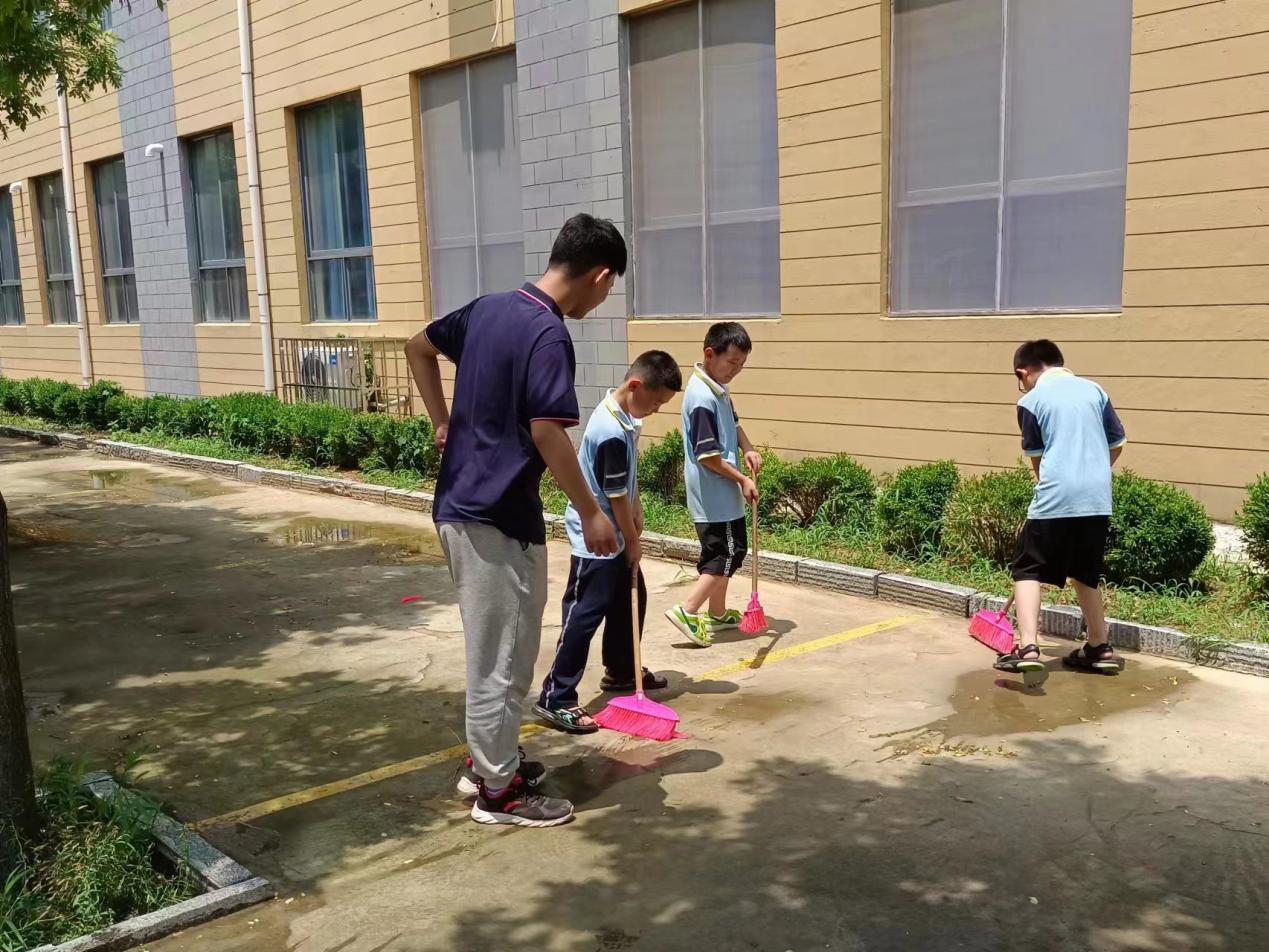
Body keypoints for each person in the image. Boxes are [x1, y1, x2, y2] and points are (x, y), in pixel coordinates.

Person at [404, 214, 626, 828]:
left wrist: (441, 420)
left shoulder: (491, 309)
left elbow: (418, 346)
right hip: (495, 516)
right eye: (610, 288)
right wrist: (591, 511)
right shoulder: (547, 333)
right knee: (501, 660)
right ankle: (497, 794)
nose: (604, 299)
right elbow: (547, 431)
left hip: (465, 508)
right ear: (599, 275)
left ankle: (488, 762)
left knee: (500, 651)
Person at [533, 351, 683, 734]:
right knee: (584, 614)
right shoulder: (610, 431)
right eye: (656, 401)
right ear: (635, 385)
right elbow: (614, 497)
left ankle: (620, 670)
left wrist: (637, 507)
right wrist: (632, 540)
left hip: (617, 530)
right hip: (597, 540)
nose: (656, 409)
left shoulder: (625, 419)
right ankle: (556, 695)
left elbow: (625, 483)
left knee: (631, 599)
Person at [1000, 339, 1127, 675]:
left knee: (1027, 570)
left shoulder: (1031, 400)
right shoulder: (1094, 391)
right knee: (1085, 573)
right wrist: (1088, 475)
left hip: (1056, 496)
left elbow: (1037, 459)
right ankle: (1099, 646)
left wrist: (1057, 485)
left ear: (1023, 372)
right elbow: (1117, 443)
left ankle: (1028, 647)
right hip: (1097, 498)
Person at [664, 321, 762, 646]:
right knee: (725, 555)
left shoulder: (717, 388)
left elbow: (733, 423)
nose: (735, 370)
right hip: (713, 495)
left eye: (741, 365)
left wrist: (747, 448)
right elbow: (707, 457)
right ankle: (688, 610)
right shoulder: (702, 399)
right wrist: (743, 479)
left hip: (723, 494)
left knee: (728, 551)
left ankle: (717, 612)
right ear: (709, 354)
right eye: (731, 362)